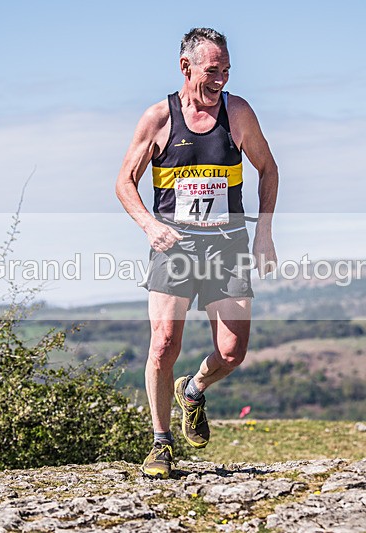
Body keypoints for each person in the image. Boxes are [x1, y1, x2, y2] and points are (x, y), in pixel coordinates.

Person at [115, 27, 278, 479]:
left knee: (232, 351)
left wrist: (264, 232)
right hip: (175, 247)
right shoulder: (158, 118)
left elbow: (268, 168)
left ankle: (194, 389)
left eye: (226, 70)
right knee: (164, 343)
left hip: (227, 245)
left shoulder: (237, 112)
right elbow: (123, 182)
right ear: (185, 67)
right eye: (212, 70)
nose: (221, 79)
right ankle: (161, 443)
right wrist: (150, 226)